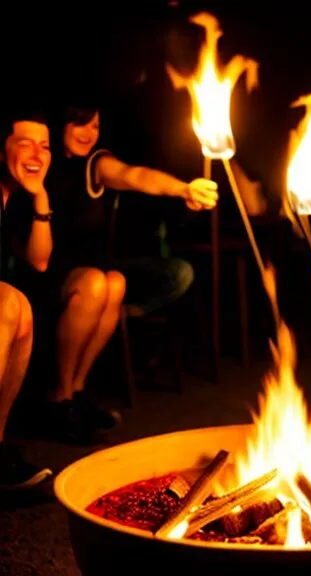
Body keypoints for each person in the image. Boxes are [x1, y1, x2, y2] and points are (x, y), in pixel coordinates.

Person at [43, 100, 218, 438]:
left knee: (116, 281)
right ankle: (58, 397)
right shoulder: (42, 163)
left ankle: (76, 390)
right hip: (48, 271)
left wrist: (183, 189)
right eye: (81, 124)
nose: (89, 133)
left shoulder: (94, 164)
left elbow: (133, 175)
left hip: (92, 270)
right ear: (61, 124)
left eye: (95, 126)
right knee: (98, 282)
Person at [0, 107, 54, 489]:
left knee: (19, 306)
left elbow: (40, 260)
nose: (37, 155)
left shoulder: (16, 198)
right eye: (25, 144)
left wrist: (41, 198)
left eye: (44, 146)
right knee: (8, 303)